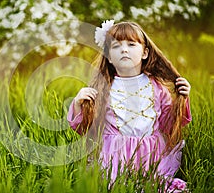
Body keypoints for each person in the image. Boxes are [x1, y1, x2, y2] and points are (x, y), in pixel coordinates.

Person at [67, 20, 192, 192]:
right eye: (116, 46)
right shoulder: (104, 88)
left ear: (145, 53)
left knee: (155, 186)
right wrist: (77, 103)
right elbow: (85, 128)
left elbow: (168, 124)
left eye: (131, 44)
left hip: (151, 155)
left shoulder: (156, 87)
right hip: (115, 156)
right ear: (109, 56)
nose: (124, 49)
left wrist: (182, 98)